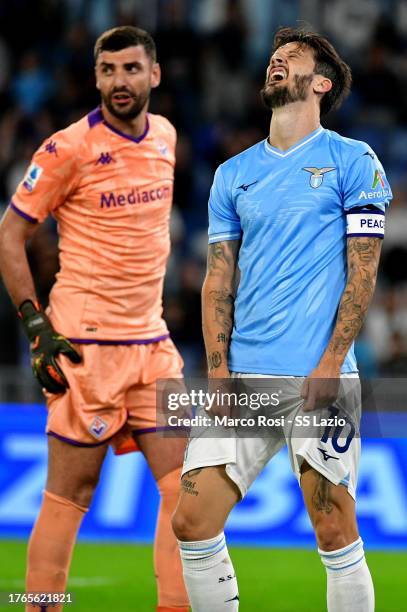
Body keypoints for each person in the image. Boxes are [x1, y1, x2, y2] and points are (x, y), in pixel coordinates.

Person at [172, 26, 392, 611]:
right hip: (243, 380)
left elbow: (362, 272)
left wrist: (330, 364)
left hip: (319, 378)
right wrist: (218, 374)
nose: (276, 63)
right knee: (191, 521)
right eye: (273, 57)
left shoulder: (353, 160)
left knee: (334, 531)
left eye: (291, 58)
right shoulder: (232, 175)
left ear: (320, 83)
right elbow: (219, 279)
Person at [0, 26, 189, 612]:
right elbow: (10, 236)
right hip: (85, 345)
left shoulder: (165, 136)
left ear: (153, 74)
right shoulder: (66, 149)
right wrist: (34, 323)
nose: (119, 81)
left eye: (131, 69)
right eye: (108, 71)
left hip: (151, 342)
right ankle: (38, 606)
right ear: (96, 78)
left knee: (188, 487)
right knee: (69, 494)